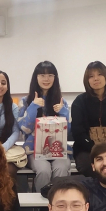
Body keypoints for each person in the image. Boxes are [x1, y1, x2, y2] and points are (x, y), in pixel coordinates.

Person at [17, 61, 70, 191]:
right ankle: (42, 209)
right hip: (34, 150)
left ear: (55, 78)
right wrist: (33, 107)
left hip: (58, 150)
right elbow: (24, 128)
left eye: (50, 75)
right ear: (36, 77)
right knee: (44, 170)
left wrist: (64, 114)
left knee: (62, 168)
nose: (46, 79)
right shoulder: (25, 101)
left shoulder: (62, 101)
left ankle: (59, 203)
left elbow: (67, 132)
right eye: (42, 75)